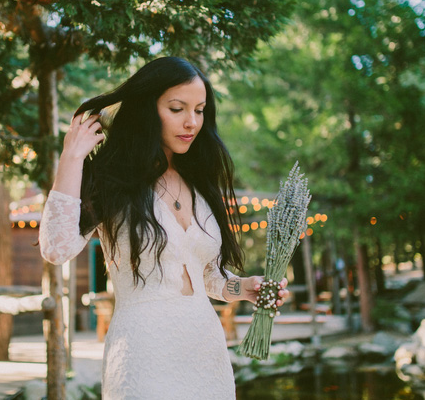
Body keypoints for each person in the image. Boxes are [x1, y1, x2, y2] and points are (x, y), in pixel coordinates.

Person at [39, 56, 289, 399]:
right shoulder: (113, 178)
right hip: (143, 354)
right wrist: (72, 157)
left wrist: (243, 288)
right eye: (177, 108)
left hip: (206, 354)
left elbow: (206, 279)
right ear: (147, 108)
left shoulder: (198, 181)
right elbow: (56, 248)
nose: (192, 122)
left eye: (199, 110)